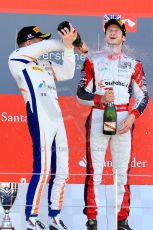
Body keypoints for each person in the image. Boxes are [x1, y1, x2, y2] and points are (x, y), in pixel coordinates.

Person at [77, 18, 149, 230]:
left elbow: (143, 95)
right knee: (94, 172)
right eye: (109, 30)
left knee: (122, 173)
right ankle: (91, 220)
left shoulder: (134, 64)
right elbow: (80, 94)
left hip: (123, 120)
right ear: (105, 34)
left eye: (117, 30)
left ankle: (122, 221)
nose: (113, 33)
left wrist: (134, 115)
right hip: (99, 116)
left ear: (123, 37)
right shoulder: (92, 61)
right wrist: (99, 99)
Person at [8, 24, 77, 230]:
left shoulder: (45, 63)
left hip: (57, 119)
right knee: (43, 168)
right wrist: (65, 41)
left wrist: (69, 48)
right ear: (28, 42)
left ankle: (54, 216)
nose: (42, 43)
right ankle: (31, 217)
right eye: (39, 40)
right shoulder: (17, 59)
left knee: (63, 170)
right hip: (40, 117)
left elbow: (68, 73)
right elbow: (42, 48)